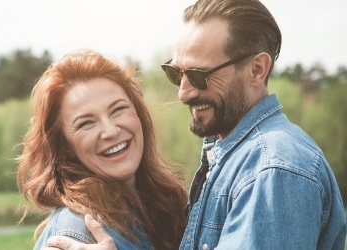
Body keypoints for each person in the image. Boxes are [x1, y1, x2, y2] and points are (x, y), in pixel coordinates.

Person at [45, 0, 347, 249]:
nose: (183, 92)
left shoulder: (271, 170)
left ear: (257, 70)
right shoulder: (77, 231)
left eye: (200, 76)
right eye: (177, 74)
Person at [16, 49, 188, 250]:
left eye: (118, 109)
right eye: (86, 123)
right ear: (65, 147)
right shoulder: (78, 233)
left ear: (138, 113)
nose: (111, 131)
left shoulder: (165, 204)